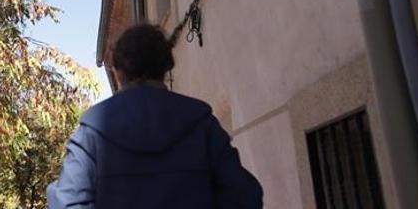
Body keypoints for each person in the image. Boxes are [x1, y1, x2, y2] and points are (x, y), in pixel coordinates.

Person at [47, 23, 263, 208]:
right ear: (166, 67)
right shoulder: (202, 124)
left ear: (118, 71)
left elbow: (67, 201)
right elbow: (245, 195)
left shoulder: (91, 133)